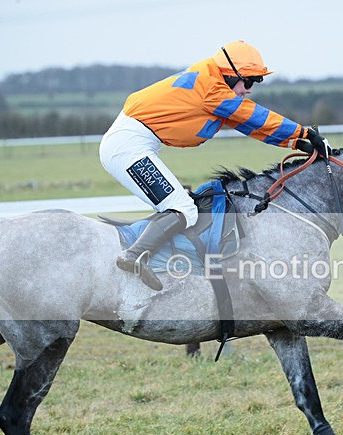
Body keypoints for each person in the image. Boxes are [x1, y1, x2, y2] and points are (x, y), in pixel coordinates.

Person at [100, 40, 329, 291]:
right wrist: (304, 132)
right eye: (249, 81)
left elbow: (249, 125)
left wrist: (297, 141)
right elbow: (255, 116)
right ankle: (133, 257)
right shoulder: (212, 89)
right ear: (231, 75)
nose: (249, 89)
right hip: (127, 147)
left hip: (133, 144)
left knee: (183, 204)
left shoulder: (214, 83)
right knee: (182, 208)